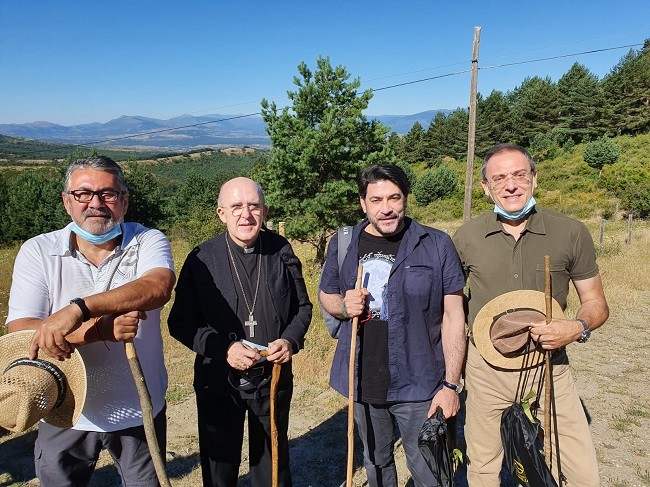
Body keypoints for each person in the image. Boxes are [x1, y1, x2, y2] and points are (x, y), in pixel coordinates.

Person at [6, 155, 176, 486]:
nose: (95, 203)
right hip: (62, 408)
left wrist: (78, 309)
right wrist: (99, 331)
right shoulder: (38, 251)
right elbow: (22, 332)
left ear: (124, 202)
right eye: (83, 193)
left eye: (107, 194)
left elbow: (157, 287)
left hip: (138, 410)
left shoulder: (147, 240)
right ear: (67, 202)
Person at [452, 143, 609, 487]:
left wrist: (577, 327)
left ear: (534, 179)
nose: (510, 185)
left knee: (577, 466)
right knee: (483, 464)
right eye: (500, 178)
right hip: (484, 369)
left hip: (549, 365)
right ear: (486, 187)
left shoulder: (570, 232)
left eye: (519, 175)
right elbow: (450, 304)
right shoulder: (467, 236)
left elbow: (595, 301)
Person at [319, 164, 466, 487]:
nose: (386, 208)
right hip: (362, 380)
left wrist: (451, 385)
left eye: (394, 198)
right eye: (376, 200)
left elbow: (455, 317)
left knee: (429, 467)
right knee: (376, 462)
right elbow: (327, 294)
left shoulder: (436, 244)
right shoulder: (343, 244)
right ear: (363, 203)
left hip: (420, 381)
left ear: (405, 199)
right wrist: (344, 306)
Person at [168, 177, 312, 487]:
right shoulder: (201, 259)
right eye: (236, 207)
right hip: (218, 380)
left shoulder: (281, 250)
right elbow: (179, 322)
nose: (245, 215)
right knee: (220, 467)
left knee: (272, 463)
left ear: (265, 211)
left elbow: (303, 308)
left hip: (272, 377)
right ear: (221, 213)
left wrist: (290, 340)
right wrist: (223, 349)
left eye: (254, 206)